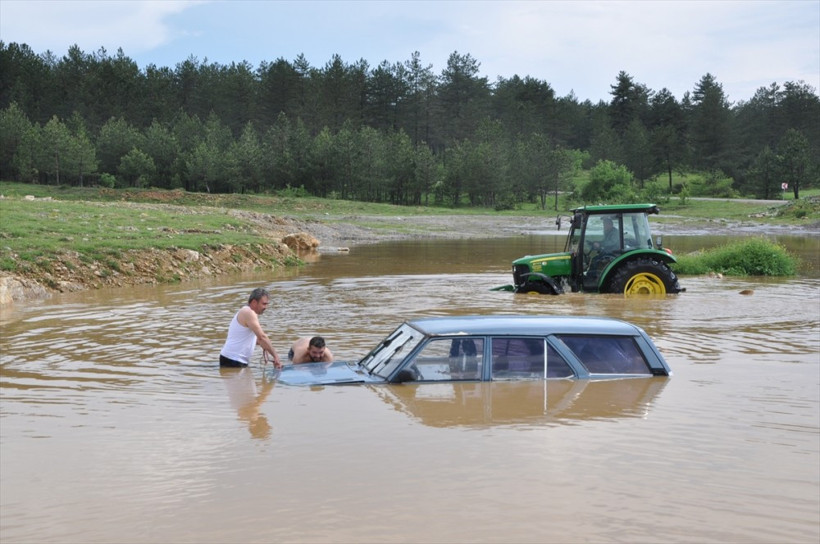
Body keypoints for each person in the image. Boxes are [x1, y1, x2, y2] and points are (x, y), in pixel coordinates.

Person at [219, 287, 282, 368]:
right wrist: (276, 357)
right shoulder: (248, 312)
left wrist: (265, 346)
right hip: (233, 360)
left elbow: (254, 339)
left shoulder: (249, 312)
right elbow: (262, 337)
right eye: (264, 304)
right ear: (254, 302)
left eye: (267, 304)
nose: (266, 307)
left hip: (232, 359)